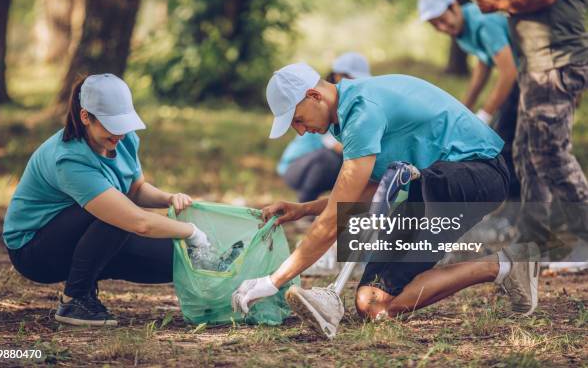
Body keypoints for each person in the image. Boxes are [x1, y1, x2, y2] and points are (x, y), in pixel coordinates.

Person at [231, 62, 540, 338]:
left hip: (478, 173)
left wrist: (273, 280)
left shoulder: (363, 112)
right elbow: (366, 192)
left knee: (385, 278)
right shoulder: (345, 116)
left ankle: (506, 264)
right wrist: (304, 209)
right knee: (373, 303)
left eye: (298, 120)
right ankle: (506, 266)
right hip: (434, 182)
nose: (300, 132)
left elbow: (332, 222)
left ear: (314, 96)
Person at [3, 74, 210, 326]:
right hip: (34, 250)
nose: (119, 135)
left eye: (123, 124)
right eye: (112, 125)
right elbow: (137, 221)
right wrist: (190, 232)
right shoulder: (69, 158)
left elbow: (136, 189)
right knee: (118, 213)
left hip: (89, 230)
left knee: (175, 261)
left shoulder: (123, 138)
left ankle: (88, 276)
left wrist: (168, 198)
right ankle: (74, 300)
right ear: (85, 117)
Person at [476, 0, 588, 271]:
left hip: (555, 62)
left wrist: (498, 2)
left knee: (549, 152)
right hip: (539, 65)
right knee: (526, 151)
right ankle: (534, 240)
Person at [418, 0, 521, 203]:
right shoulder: (462, 30)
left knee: (503, 141)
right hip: (518, 80)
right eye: (435, 25)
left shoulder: (483, 22)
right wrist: (463, 108)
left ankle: (512, 206)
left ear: (454, 7)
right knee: (507, 140)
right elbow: (484, 63)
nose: (442, 27)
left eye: (443, 20)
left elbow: (509, 71)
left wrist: (485, 113)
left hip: (528, 78)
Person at [278, 52, 370, 203]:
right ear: (338, 76)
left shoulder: (355, 104)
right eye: (351, 78)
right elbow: (338, 146)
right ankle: (304, 206)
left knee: (358, 164)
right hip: (298, 166)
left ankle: (343, 213)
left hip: (326, 163)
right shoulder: (326, 106)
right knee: (334, 159)